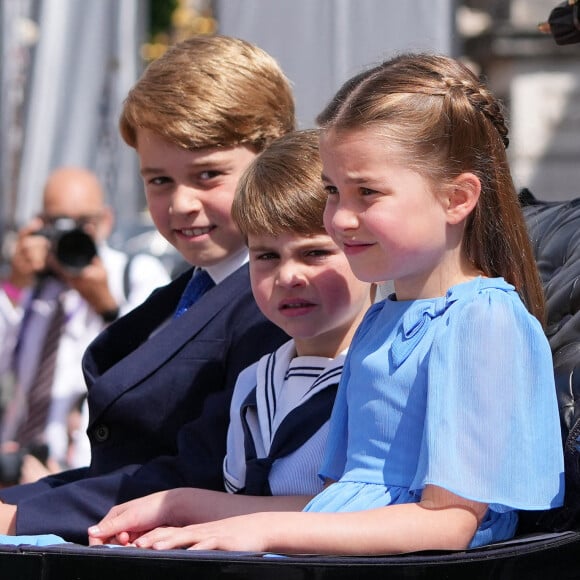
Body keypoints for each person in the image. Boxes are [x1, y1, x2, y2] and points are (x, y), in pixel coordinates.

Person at [97, 52, 565, 555]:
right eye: (333, 191)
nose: (339, 218)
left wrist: (257, 531)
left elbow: (450, 521)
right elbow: (337, 505)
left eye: (367, 192)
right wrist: (184, 506)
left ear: (457, 198)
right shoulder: (384, 321)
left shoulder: (482, 320)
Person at [0, 34, 294, 544]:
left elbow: (201, 468)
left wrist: (24, 518)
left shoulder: (281, 302)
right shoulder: (190, 291)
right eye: (158, 181)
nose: (180, 203)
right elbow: (121, 465)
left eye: (207, 175)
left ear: (272, 161)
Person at [87, 129, 373, 546]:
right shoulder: (255, 383)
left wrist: (184, 508)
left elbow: (367, 512)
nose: (289, 276)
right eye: (266, 257)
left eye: (314, 252)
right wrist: (172, 515)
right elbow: (241, 499)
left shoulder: (385, 371)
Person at [0, 167, 170, 478]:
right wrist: (13, 287)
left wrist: (107, 306)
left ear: (106, 220)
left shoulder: (134, 275)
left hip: (85, 471)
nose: (69, 234)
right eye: (56, 223)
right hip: (11, 465)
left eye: (82, 224)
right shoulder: (29, 283)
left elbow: (155, 374)